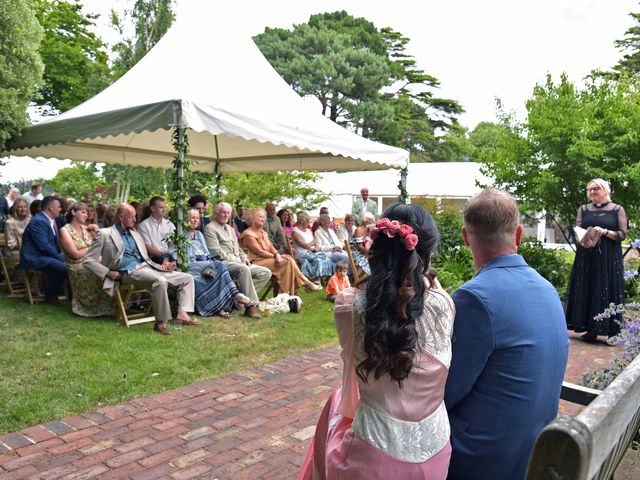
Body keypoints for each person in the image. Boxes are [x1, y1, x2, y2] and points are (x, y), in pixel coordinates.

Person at [298, 203, 454, 480]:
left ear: (375, 250)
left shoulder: (351, 306)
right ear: (427, 255)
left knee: (334, 406)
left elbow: (350, 369)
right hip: (437, 454)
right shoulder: (445, 306)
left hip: (372, 456)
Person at [444, 188, 569, 480]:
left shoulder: (473, 298)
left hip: (484, 458)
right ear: (519, 234)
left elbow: (445, 393)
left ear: (465, 237)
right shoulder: (547, 288)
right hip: (536, 449)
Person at [83, 203, 198, 335]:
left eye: (135, 216)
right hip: (127, 272)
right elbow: (88, 260)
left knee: (186, 278)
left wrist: (163, 265)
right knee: (160, 281)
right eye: (131, 216)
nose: (135, 219)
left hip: (148, 267)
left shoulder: (135, 233)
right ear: (121, 217)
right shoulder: (104, 234)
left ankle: (182, 314)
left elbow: (145, 257)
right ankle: (161, 323)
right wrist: (107, 272)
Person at [565, 178, 627, 345]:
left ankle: (614, 332)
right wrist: (582, 238)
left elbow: (622, 234)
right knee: (588, 289)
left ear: (604, 190)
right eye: (590, 190)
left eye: (596, 189)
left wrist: (605, 232)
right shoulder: (583, 209)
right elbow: (577, 230)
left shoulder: (617, 209)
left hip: (608, 258)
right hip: (587, 257)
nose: (592, 192)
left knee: (609, 290)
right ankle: (591, 329)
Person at [178, 209, 253, 317]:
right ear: (186, 219)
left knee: (216, 275)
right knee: (220, 265)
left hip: (205, 265)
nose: (195, 220)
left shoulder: (199, 234)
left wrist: (206, 261)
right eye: (192, 218)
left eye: (197, 218)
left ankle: (218, 308)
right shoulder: (180, 235)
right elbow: (179, 257)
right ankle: (235, 294)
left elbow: (207, 253)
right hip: (189, 265)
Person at [205, 202, 271, 319]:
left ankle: (238, 298)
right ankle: (251, 306)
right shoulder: (210, 228)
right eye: (223, 212)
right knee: (244, 269)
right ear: (216, 213)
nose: (226, 215)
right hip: (221, 263)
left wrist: (244, 257)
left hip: (237, 262)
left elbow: (238, 248)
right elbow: (215, 252)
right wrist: (237, 260)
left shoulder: (230, 229)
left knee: (265, 272)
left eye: (228, 213)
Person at [240, 208, 321, 295]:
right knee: (287, 261)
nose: (263, 219)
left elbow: (271, 247)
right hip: (255, 262)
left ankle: (290, 293)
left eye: (264, 217)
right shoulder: (248, 234)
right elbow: (260, 252)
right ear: (252, 218)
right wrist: (277, 256)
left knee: (288, 260)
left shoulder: (263, 233)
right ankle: (299, 288)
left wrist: (277, 254)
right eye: (260, 217)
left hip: (267, 259)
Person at [59, 202, 115, 317]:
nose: (86, 215)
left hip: (93, 261)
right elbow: (75, 254)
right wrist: (92, 249)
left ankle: (117, 303)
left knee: (114, 266)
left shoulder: (87, 229)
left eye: (87, 212)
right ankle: (93, 306)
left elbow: (104, 246)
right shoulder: (65, 230)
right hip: (77, 264)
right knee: (102, 271)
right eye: (83, 212)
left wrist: (97, 231)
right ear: (74, 212)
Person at [20, 195, 68, 303]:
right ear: (51, 208)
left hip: (43, 256)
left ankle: (59, 293)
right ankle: (51, 295)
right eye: (58, 207)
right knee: (64, 267)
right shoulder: (39, 221)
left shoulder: (48, 220)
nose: (60, 209)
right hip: (34, 258)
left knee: (69, 263)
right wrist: (60, 258)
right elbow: (44, 246)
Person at [292, 211, 334, 280]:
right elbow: (303, 245)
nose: (308, 223)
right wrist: (311, 245)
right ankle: (316, 279)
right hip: (302, 254)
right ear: (302, 221)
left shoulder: (308, 230)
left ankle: (325, 278)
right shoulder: (295, 231)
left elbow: (315, 241)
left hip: (312, 251)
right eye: (307, 221)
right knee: (318, 259)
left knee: (326, 258)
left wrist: (310, 245)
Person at [138, 196, 176, 266]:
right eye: (161, 207)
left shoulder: (169, 224)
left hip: (170, 258)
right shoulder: (144, 226)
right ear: (152, 208)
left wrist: (168, 258)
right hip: (153, 260)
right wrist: (165, 256)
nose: (164, 210)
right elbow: (148, 248)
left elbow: (173, 245)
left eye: (165, 207)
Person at [4, 197, 30, 262]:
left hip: (29, 249)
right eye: (20, 207)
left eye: (24, 207)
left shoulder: (30, 220)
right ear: (15, 209)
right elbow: (11, 246)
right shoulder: (10, 223)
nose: (23, 209)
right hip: (15, 252)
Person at [350, 212, 375, 277]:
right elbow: (359, 247)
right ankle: (355, 281)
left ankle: (365, 281)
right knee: (366, 259)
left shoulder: (368, 230)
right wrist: (369, 252)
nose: (371, 222)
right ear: (364, 220)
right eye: (370, 220)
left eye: (372, 220)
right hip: (356, 252)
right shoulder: (359, 229)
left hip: (363, 252)